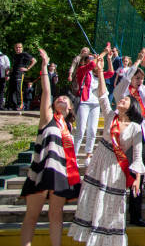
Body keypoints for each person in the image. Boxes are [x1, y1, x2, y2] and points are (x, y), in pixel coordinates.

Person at [68, 54, 144, 246]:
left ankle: (108, 239)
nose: (121, 101)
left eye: (125, 101)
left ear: (131, 106)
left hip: (116, 168)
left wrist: (137, 179)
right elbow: (102, 95)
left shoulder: (136, 128)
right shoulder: (111, 116)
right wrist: (101, 72)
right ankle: (91, 238)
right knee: (94, 197)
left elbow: (137, 157)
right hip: (100, 159)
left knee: (111, 202)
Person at [21, 49, 80, 246]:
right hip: (41, 170)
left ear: (71, 107)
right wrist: (44, 65)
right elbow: (47, 91)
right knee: (32, 215)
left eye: (66, 99)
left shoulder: (69, 127)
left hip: (60, 173)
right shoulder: (47, 119)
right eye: (59, 99)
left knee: (56, 215)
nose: (61, 99)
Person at [113, 47, 145, 227]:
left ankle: (135, 214)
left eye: (141, 78)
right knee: (120, 174)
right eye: (136, 77)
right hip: (125, 135)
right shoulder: (123, 94)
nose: (139, 80)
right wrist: (134, 65)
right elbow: (123, 82)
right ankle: (116, 214)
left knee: (138, 174)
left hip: (144, 134)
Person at [74, 48, 114, 166]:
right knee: (80, 130)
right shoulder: (82, 71)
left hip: (96, 104)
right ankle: (74, 156)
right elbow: (92, 64)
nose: (95, 61)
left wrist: (108, 59)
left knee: (92, 130)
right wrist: (104, 52)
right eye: (91, 59)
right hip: (84, 103)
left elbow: (111, 73)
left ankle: (88, 155)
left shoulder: (98, 74)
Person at [7, 43, 36, 110]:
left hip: (19, 73)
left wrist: (27, 68)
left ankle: (20, 104)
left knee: (18, 89)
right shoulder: (15, 55)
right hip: (13, 73)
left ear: (22, 48)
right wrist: (10, 70)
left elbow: (34, 60)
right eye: (17, 47)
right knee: (12, 89)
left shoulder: (25, 54)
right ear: (15, 48)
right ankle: (13, 105)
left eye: (19, 47)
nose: (18, 49)